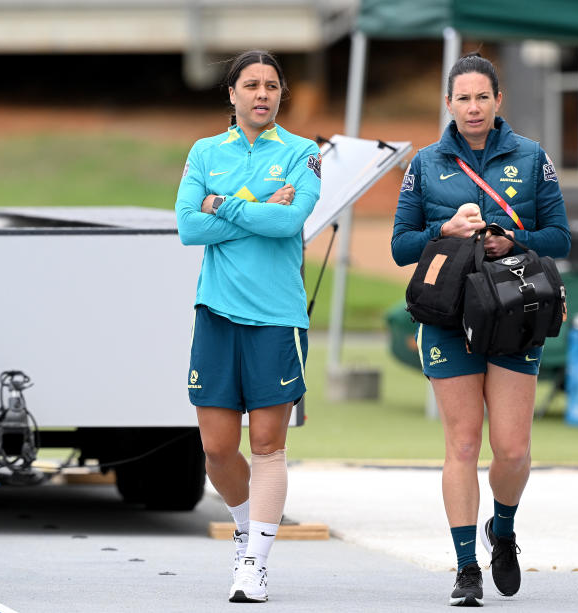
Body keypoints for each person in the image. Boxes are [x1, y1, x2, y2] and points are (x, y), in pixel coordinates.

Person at [392, 53, 571, 607]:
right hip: (448, 315)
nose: (473, 107)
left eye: (482, 97)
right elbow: (401, 246)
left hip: (515, 311)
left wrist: (512, 242)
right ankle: (467, 567)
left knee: (512, 449)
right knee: (464, 442)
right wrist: (445, 230)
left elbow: (560, 236)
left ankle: (505, 528)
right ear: (449, 104)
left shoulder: (531, 156)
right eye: (462, 98)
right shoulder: (425, 163)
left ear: (499, 101)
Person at [174, 49, 321, 603]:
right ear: (231, 93)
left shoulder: (304, 154)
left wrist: (224, 207)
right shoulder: (205, 151)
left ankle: (254, 562)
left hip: (277, 319)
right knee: (215, 449)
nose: (262, 94)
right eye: (251, 85)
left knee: (266, 445)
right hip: (215, 313)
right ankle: (245, 528)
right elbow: (188, 227)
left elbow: (289, 221)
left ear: (282, 95)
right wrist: (254, 202)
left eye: (272, 86)